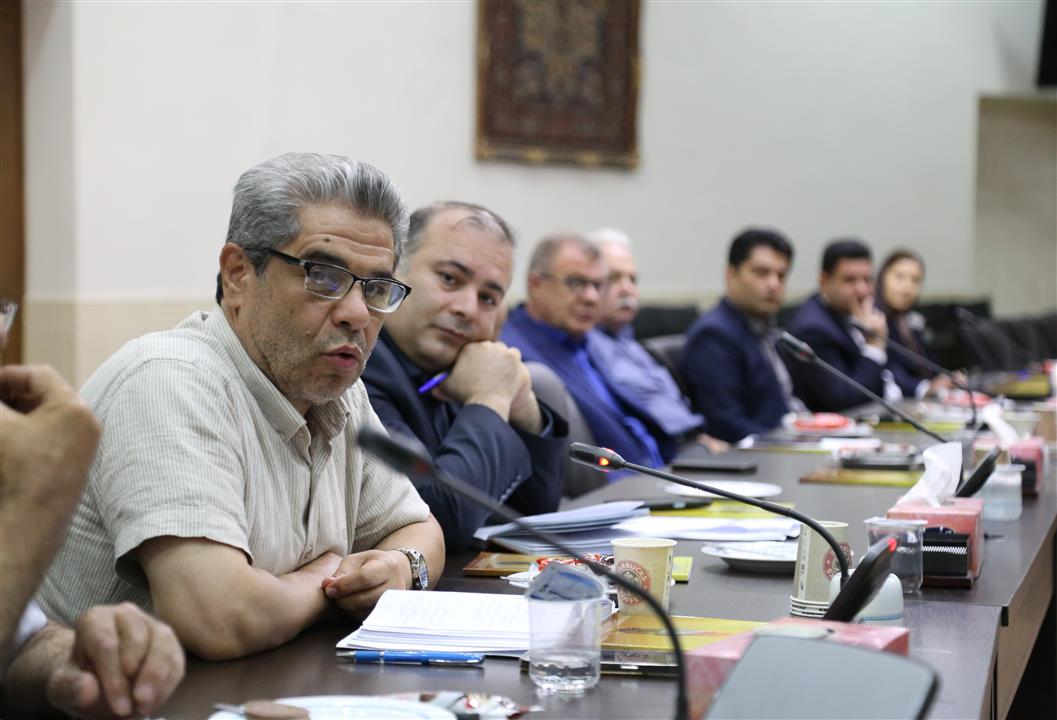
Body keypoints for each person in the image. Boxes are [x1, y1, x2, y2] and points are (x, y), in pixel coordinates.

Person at [34, 153, 445, 662]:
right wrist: (325, 582)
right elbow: (218, 618)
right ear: (237, 274)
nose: (357, 314)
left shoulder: (338, 390)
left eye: (377, 288)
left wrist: (402, 567)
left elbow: (420, 529)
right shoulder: (167, 381)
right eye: (324, 275)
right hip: (112, 696)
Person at [361, 202, 566, 551]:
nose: (468, 309)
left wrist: (526, 412)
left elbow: (537, 512)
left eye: (488, 297)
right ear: (395, 271)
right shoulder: (361, 363)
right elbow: (439, 518)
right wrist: (490, 398)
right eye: (449, 279)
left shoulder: (464, 364)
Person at [1, 361, 184, 718]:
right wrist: (35, 501)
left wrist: (77, 661)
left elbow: (21, 644)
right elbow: (215, 613)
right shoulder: (159, 375)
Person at [500, 234, 672, 467]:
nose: (591, 297)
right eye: (576, 283)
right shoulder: (515, 352)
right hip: (620, 482)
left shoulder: (593, 340)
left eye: (598, 285)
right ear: (536, 285)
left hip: (664, 469)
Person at [584, 229, 720, 451]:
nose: (627, 289)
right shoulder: (586, 349)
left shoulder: (630, 344)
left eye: (632, 279)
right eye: (613, 278)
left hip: (695, 444)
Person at [681, 229, 803, 443]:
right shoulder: (714, 335)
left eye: (781, 275)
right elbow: (726, 425)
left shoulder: (766, 329)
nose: (774, 285)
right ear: (731, 274)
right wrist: (790, 445)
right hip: (762, 453)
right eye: (761, 273)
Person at [783, 239, 900, 412]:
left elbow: (890, 373)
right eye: (850, 280)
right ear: (824, 280)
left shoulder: (856, 314)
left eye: (867, 279)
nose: (862, 290)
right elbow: (846, 402)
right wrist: (874, 347)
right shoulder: (813, 329)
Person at [875, 249, 953, 398]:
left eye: (915, 280)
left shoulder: (910, 320)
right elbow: (886, 369)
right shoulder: (874, 318)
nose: (907, 287)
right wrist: (925, 388)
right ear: (882, 278)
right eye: (899, 277)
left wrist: (947, 379)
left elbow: (929, 366)